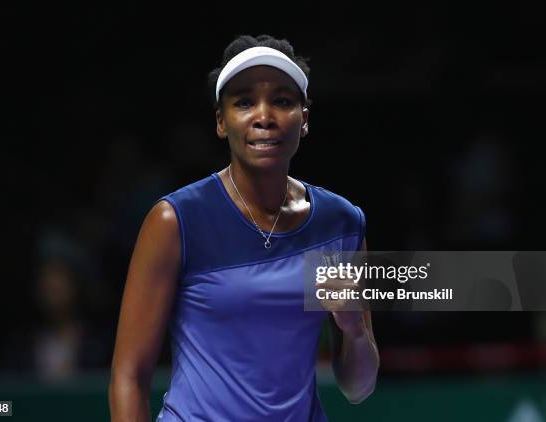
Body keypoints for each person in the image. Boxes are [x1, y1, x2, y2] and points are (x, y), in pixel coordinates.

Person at [109, 34, 379, 421]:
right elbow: (129, 376)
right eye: (244, 102)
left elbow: (359, 388)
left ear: (304, 119)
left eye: (282, 101)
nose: (264, 116)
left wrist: (354, 328)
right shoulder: (175, 220)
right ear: (222, 121)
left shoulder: (341, 223)